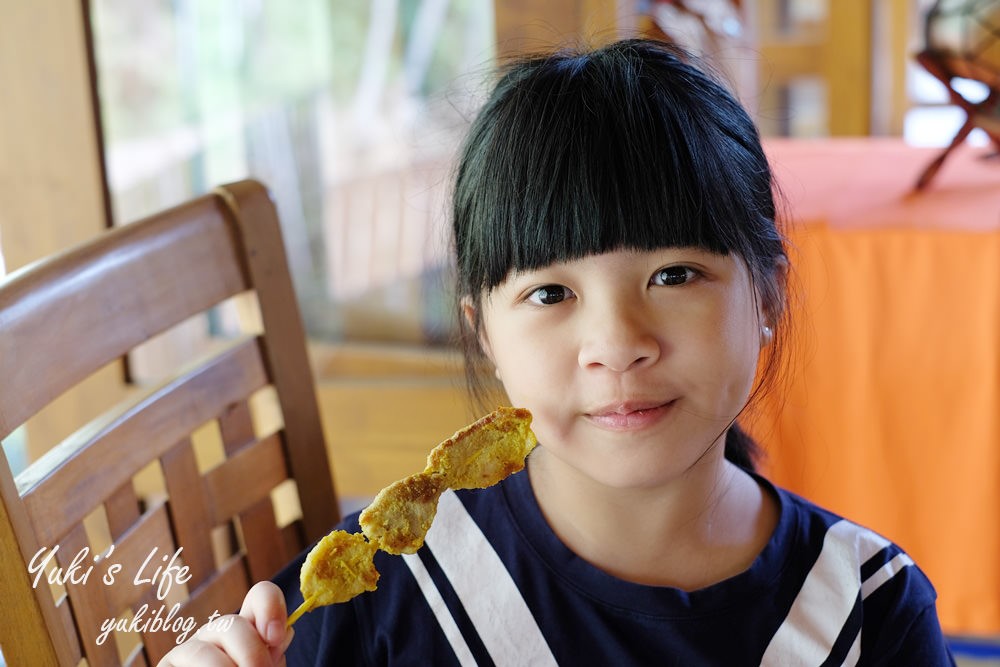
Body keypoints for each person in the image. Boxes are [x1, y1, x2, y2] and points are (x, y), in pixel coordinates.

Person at [161, 38, 955, 666]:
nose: (617, 345)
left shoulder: (867, 609)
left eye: (674, 274)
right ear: (483, 331)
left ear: (769, 297)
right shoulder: (373, 601)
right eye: (550, 293)